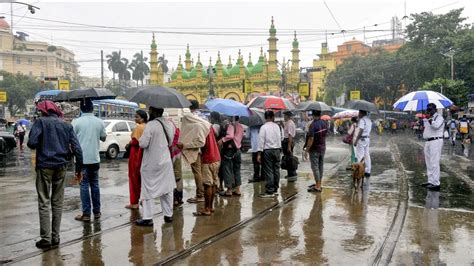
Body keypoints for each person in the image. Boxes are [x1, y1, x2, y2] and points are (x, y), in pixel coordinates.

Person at [27, 100, 83, 249]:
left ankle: (46, 239)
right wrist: (78, 170)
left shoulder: (40, 122)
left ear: (44, 111)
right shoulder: (66, 125)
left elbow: (31, 143)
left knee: (44, 202)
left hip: (44, 165)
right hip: (61, 167)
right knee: (57, 203)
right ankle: (55, 237)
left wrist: (43, 142)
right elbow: (78, 149)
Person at [136, 107, 176, 226]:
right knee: (167, 189)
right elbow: (170, 142)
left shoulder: (151, 125)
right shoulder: (169, 124)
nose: (148, 113)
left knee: (148, 189)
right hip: (165, 161)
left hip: (151, 163)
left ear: (153, 112)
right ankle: (168, 215)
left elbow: (143, 144)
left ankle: (148, 218)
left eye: (149, 111)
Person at [178, 114, 221, 216]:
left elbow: (200, 143)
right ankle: (211, 207)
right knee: (214, 183)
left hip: (208, 158)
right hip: (216, 157)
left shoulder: (198, 126)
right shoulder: (206, 125)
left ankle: (206, 209)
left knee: (207, 185)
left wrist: (184, 145)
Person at [72, 99, 107, 222]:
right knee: (95, 184)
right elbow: (103, 138)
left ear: (81, 108)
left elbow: (72, 140)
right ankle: (97, 212)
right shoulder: (99, 122)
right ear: (93, 108)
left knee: (84, 185)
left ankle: (86, 214)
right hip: (95, 159)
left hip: (81, 160)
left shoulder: (76, 122)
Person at [125, 110, 148, 209]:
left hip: (135, 154)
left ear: (142, 118)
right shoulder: (148, 126)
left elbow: (135, 141)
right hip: (144, 154)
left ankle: (134, 202)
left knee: (134, 178)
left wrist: (129, 144)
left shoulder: (139, 127)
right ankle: (144, 200)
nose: (135, 119)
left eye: (137, 117)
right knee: (143, 179)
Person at [257, 111, 282, 198]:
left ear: (265, 117)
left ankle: (270, 190)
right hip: (277, 150)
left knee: (269, 170)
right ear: (272, 117)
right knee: (276, 169)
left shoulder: (263, 127)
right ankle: (275, 189)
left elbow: (261, 140)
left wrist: (259, 153)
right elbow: (280, 138)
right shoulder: (277, 126)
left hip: (267, 150)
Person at [218, 116, 244, 196]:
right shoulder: (241, 126)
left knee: (227, 168)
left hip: (230, 150)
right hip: (238, 150)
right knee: (237, 170)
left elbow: (231, 136)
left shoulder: (231, 125)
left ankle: (229, 190)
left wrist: (222, 140)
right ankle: (237, 190)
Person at [421, 103, 444, 191]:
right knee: (429, 162)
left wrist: (430, 120)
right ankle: (430, 181)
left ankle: (436, 183)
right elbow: (427, 129)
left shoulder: (439, 117)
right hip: (428, 141)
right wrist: (424, 121)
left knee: (434, 162)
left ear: (435, 109)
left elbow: (436, 126)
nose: (429, 111)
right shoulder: (427, 117)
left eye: (430, 109)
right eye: (428, 109)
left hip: (436, 141)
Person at [186, 100, 205, 203]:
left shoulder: (191, 118)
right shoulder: (203, 116)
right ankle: (203, 193)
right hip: (203, 148)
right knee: (201, 171)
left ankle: (200, 195)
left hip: (195, 148)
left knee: (197, 172)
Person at [304, 110, 328, 192]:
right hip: (322, 147)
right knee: (320, 166)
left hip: (314, 149)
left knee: (315, 167)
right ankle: (319, 183)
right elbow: (325, 134)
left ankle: (318, 186)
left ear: (313, 115)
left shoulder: (313, 125)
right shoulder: (325, 123)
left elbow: (311, 138)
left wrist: (306, 150)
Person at [354, 110, 373, 178]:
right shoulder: (369, 120)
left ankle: (360, 171)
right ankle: (368, 171)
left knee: (360, 156)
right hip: (367, 139)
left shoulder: (362, 120)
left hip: (361, 139)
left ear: (362, 113)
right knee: (367, 155)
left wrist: (356, 140)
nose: (358, 114)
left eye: (359, 113)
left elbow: (361, 130)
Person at [282, 111, 297, 181]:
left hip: (288, 141)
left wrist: (289, 146)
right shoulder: (288, 123)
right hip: (287, 141)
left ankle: (292, 173)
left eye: (284, 115)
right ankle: (290, 173)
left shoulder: (290, 123)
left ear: (287, 116)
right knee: (288, 158)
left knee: (290, 159)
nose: (284, 117)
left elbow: (290, 135)